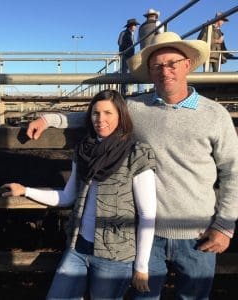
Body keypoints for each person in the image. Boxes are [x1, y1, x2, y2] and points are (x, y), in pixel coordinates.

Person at [26, 31, 238, 299]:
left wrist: (224, 226)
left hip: (197, 231)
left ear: (187, 65)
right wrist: (49, 119)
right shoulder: (137, 108)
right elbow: (96, 114)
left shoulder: (215, 115)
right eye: (157, 65)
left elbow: (233, 171)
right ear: (150, 71)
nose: (165, 71)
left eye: (172, 63)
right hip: (145, 233)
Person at [2, 89, 157, 299]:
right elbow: (67, 197)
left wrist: (141, 266)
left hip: (115, 254)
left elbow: (147, 214)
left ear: (121, 115)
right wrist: (25, 190)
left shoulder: (137, 153)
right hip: (79, 246)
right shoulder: (84, 151)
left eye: (108, 113)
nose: (100, 119)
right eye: (95, 113)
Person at [118, 18, 140, 95]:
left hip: (131, 55)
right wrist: (126, 50)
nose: (136, 27)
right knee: (124, 73)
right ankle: (123, 91)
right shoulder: (124, 33)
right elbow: (120, 43)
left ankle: (128, 90)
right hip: (125, 55)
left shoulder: (131, 34)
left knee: (131, 72)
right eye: (135, 25)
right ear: (131, 26)